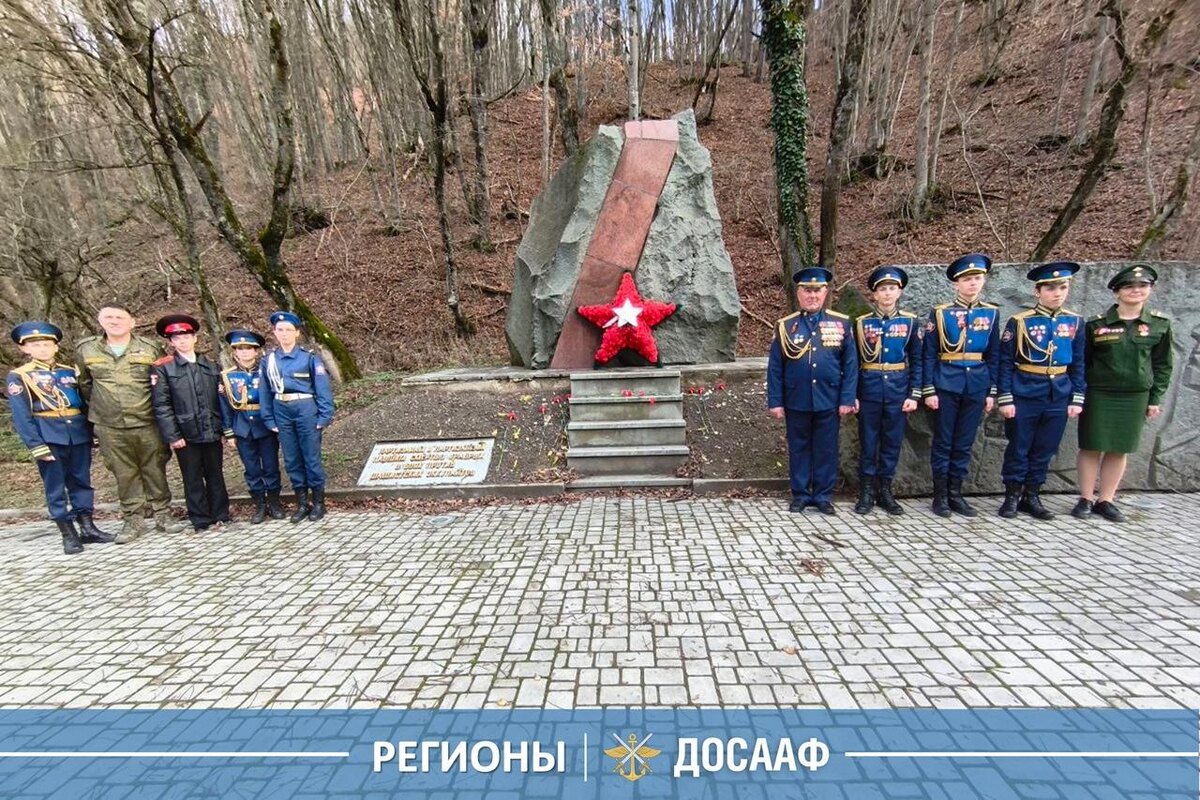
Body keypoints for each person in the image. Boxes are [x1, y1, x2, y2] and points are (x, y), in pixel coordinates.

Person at [76, 303, 185, 543]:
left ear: (132, 322)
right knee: (123, 473)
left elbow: (162, 382)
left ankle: (163, 514)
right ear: (100, 321)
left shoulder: (150, 348)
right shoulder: (86, 349)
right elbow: (85, 385)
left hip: (147, 420)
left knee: (155, 468)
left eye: (120, 317)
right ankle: (133, 519)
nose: (114, 321)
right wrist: (101, 410)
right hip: (109, 424)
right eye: (109, 317)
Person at [1073, 264, 1174, 523]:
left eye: (1142, 286)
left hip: (1135, 395)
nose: (1136, 290)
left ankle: (1106, 499)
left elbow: (1163, 364)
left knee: (1120, 448)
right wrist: (1079, 394)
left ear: (1150, 290)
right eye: (1129, 286)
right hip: (1099, 392)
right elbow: (1082, 361)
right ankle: (1085, 498)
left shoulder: (1159, 325)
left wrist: (1155, 398)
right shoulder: (1096, 324)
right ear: (1117, 291)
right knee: (1091, 445)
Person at [7, 322, 115, 554]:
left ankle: (88, 527)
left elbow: (83, 403)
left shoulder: (68, 372)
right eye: (36, 345)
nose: (43, 349)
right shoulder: (20, 376)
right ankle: (68, 533)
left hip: (77, 433)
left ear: (56, 347)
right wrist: (36, 445)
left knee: (81, 481)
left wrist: (91, 432)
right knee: (55, 486)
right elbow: (22, 415)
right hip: (48, 435)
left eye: (47, 344)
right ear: (25, 349)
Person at [996, 262, 1086, 520]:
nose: (1057, 293)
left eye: (1062, 288)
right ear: (1038, 291)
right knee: (1019, 446)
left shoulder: (1074, 322)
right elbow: (1005, 362)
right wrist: (1005, 397)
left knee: (1045, 448)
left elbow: (1079, 362)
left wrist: (1077, 396)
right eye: (1050, 288)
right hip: (1025, 391)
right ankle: (1012, 495)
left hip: (1058, 392)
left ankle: (1032, 495)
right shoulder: (1020, 322)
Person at [767, 267, 858, 515]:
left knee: (826, 449)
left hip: (829, 398)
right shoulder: (786, 326)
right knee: (799, 448)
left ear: (825, 293)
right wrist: (776, 401)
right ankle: (800, 494)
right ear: (799, 294)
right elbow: (775, 368)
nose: (812, 296)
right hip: (796, 398)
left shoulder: (840, 323)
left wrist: (847, 398)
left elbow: (850, 365)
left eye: (817, 291)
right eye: (807, 291)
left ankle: (822, 496)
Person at [921, 253, 1001, 518]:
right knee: (943, 441)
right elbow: (929, 353)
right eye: (967, 279)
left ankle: (956, 493)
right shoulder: (941, 313)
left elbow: (994, 354)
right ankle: (940, 495)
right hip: (946, 382)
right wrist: (929, 389)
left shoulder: (991, 313)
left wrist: (991, 390)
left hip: (976, 384)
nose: (972, 283)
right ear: (956, 284)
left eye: (977, 278)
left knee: (965, 442)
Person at [149, 314, 234, 533]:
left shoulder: (211, 366)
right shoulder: (163, 368)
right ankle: (200, 519)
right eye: (177, 338)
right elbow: (161, 405)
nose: (183, 341)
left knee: (215, 474)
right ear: (171, 342)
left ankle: (221, 514)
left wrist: (224, 428)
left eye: (186, 337)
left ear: (195, 338)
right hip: (185, 433)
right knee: (192, 476)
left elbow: (220, 400)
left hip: (211, 429)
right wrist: (173, 435)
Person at [853, 266, 922, 515]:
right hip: (869, 388)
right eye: (882, 289)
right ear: (874, 294)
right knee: (868, 442)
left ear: (899, 292)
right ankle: (866, 492)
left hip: (897, 389)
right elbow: (853, 362)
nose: (887, 293)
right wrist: (853, 395)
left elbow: (917, 359)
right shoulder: (861, 323)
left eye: (892, 288)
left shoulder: (910, 322)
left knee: (892, 442)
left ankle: (885, 491)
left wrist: (914, 394)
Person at [259, 311, 335, 523]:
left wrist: (324, 415)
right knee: (292, 459)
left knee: (311, 458)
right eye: (280, 330)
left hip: (305, 409)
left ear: (297, 333)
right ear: (274, 332)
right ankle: (302, 504)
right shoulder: (269, 361)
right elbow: (264, 392)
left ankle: (319, 503)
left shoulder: (308, 358)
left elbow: (322, 388)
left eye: (288, 330)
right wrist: (268, 419)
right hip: (281, 410)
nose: (284, 334)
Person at [220, 329, 284, 524]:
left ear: (256, 351)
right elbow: (225, 407)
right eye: (240, 349)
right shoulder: (227, 376)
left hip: (265, 425)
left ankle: (274, 503)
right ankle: (260, 505)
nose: (244, 352)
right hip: (242, 427)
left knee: (271, 466)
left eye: (248, 348)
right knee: (251, 469)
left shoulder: (266, 372)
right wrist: (229, 433)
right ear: (234, 352)